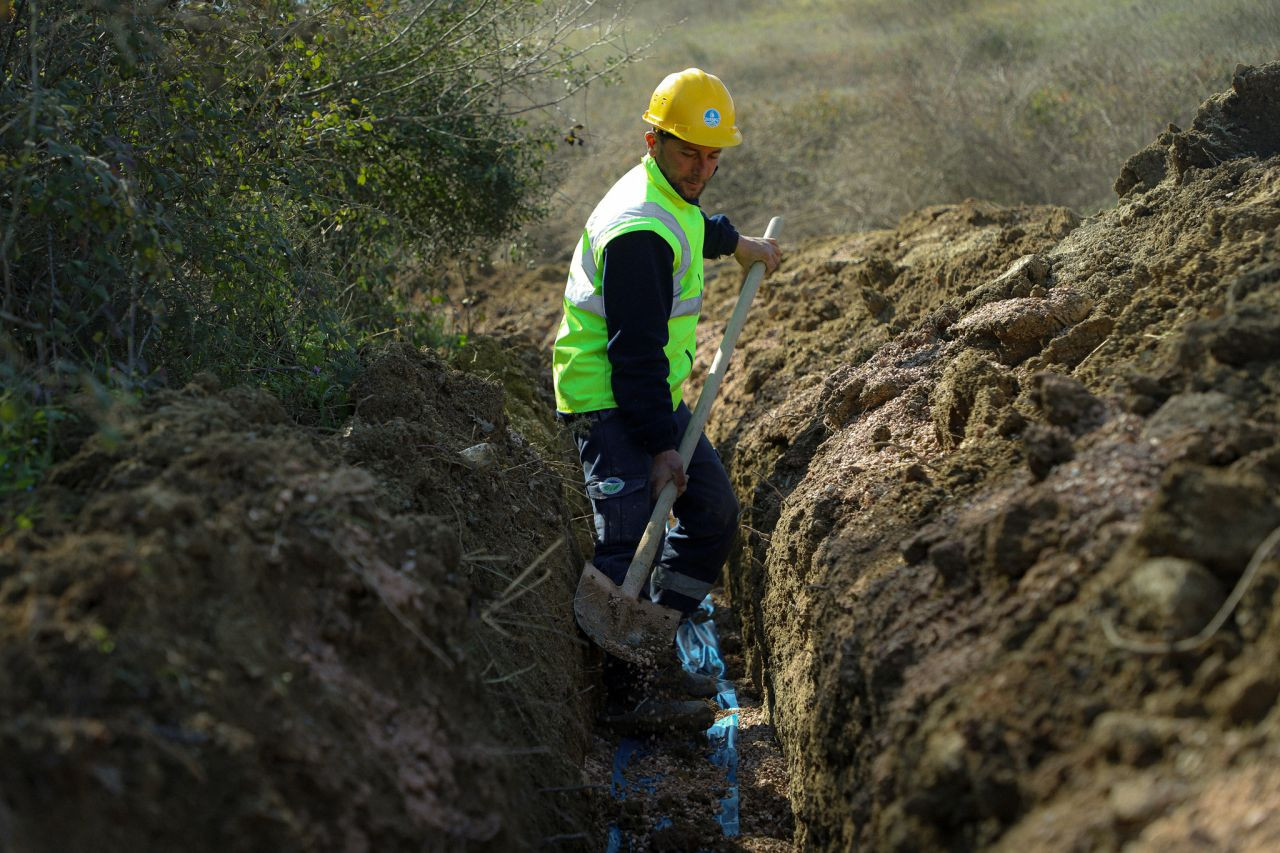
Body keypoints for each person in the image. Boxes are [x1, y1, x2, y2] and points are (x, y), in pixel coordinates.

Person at [551, 68, 781, 730]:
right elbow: (632, 356)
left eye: (714, 156)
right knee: (626, 538)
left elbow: (695, 222)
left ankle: (654, 643)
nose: (703, 168)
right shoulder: (637, 232)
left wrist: (742, 245)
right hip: (608, 396)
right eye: (690, 153)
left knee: (711, 509)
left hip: (650, 391)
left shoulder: (668, 194)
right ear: (653, 141)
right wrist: (658, 448)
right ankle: (626, 698)